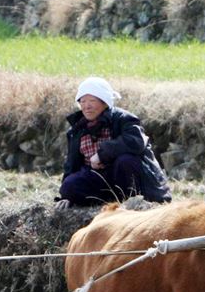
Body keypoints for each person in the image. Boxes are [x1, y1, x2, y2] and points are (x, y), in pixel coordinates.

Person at [56, 77, 171, 209]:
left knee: (125, 161)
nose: (87, 106)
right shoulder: (77, 130)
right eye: (83, 101)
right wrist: (66, 195)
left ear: (105, 102)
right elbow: (72, 165)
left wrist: (102, 154)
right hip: (101, 181)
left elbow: (136, 141)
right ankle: (108, 202)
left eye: (92, 101)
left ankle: (132, 202)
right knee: (70, 185)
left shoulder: (124, 119)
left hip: (127, 178)